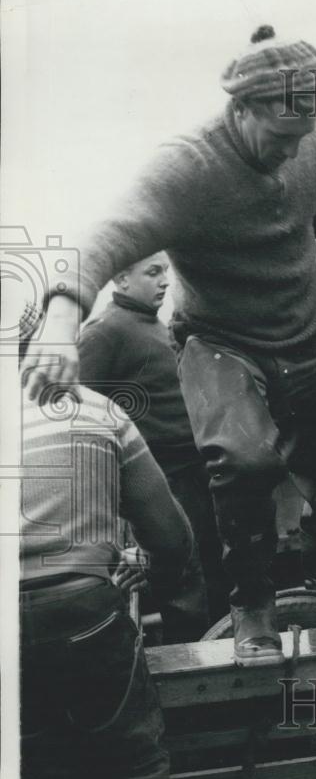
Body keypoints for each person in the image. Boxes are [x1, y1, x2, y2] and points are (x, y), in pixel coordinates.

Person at [20, 24, 316, 666]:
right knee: (246, 462)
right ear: (239, 109)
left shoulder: (305, 143)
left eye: (301, 133)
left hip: (308, 340)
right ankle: (253, 604)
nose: (289, 150)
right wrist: (60, 321)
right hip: (221, 344)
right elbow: (102, 240)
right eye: (277, 136)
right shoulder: (187, 167)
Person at [19, 369, 192, 779]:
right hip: (86, 615)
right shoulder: (96, 409)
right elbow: (172, 539)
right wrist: (143, 564)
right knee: (135, 775)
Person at [78, 253, 223, 638]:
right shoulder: (104, 332)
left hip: (196, 472)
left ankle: (219, 656)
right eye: (153, 272)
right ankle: (196, 668)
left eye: (167, 272)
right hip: (160, 478)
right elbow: (79, 417)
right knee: (184, 577)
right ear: (120, 279)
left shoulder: (154, 326)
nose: (165, 281)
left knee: (210, 569)